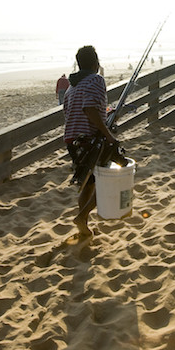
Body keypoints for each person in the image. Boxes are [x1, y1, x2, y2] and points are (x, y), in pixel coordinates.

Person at [62, 45, 120, 243]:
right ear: (96, 63)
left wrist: (106, 112)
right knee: (105, 182)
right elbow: (89, 110)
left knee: (87, 183)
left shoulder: (72, 86)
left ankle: (83, 225)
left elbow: (74, 111)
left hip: (72, 140)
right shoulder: (96, 79)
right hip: (89, 140)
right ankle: (81, 216)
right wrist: (108, 134)